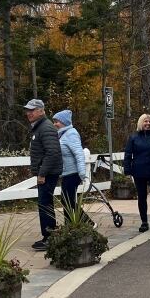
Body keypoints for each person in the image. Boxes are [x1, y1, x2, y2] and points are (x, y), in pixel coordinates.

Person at [24, 99, 62, 251]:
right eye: (27, 110)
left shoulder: (45, 128)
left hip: (48, 173)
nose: (28, 113)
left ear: (41, 111)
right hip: (46, 172)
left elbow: (52, 153)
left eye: (32, 110)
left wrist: (42, 173)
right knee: (45, 203)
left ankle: (49, 237)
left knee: (45, 203)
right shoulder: (40, 127)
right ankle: (49, 235)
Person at [123, 114, 150, 232]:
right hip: (139, 172)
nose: (148, 123)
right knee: (142, 198)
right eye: (145, 121)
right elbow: (128, 155)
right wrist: (127, 170)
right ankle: (144, 222)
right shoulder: (133, 138)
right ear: (140, 123)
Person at [52, 110, 89, 222]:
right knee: (66, 201)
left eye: (56, 121)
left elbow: (79, 153)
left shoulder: (71, 134)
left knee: (68, 200)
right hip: (66, 174)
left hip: (73, 173)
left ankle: (88, 222)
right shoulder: (62, 134)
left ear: (64, 122)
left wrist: (82, 172)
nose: (54, 124)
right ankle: (69, 225)